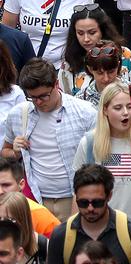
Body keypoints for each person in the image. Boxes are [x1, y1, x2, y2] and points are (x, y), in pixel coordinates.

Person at [2, 59, 98, 220]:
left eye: (43, 96)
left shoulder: (85, 112)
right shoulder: (18, 114)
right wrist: (15, 152)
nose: (38, 102)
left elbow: (100, 158)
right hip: (36, 198)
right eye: (32, 97)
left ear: (56, 84)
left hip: (74, 197)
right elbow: (5, 152)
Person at [43, 164, 131, 264]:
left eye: (97, 202)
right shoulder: (61, 236)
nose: (90, 208)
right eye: (83, 203)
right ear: (76, 197)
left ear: (109, 196)